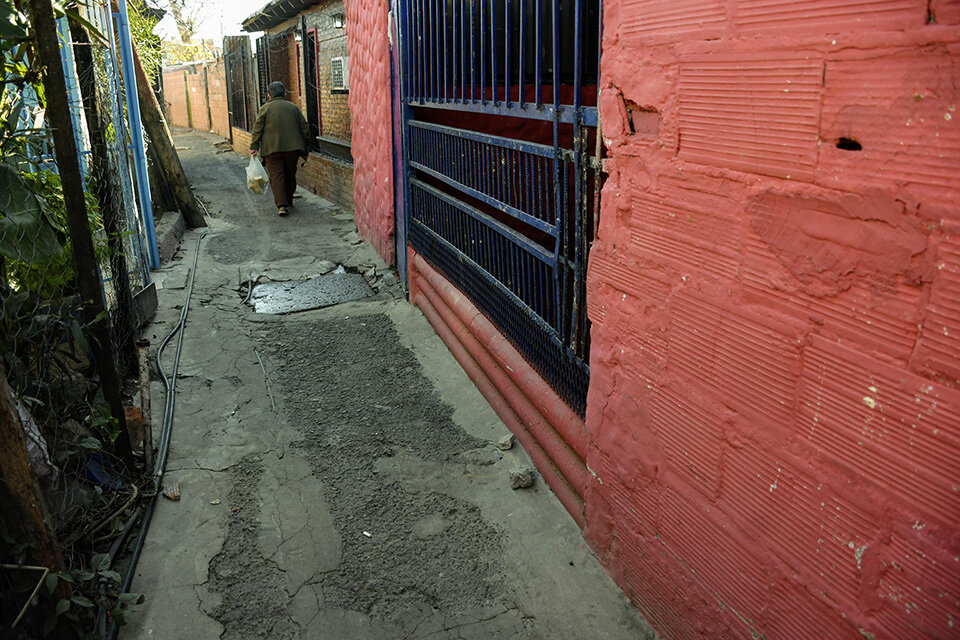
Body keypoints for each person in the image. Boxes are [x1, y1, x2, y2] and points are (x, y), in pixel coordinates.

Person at [249, 81, 310, 216]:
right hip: (293, 149)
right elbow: (304, 127)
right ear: (284, 93)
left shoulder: (265, 108)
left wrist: (254, 146)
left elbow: (257, 128)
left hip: (272, 150)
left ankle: (282, 205)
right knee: (290, 174)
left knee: (276, 176)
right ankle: (289, 200)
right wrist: (306, 144)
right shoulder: (293, 108)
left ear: (269, 95)